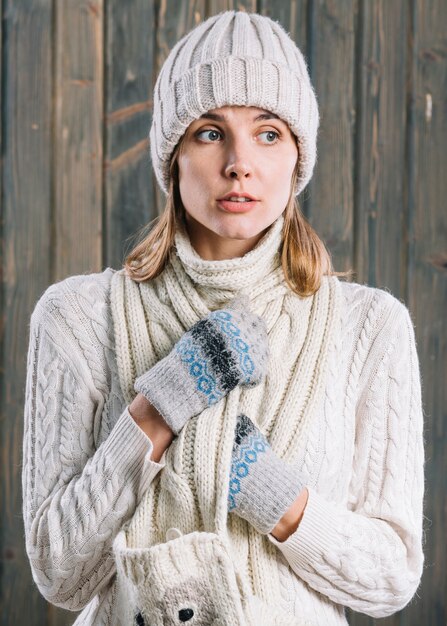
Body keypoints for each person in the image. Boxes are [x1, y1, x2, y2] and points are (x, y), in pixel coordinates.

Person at [22, 10, 424, 626]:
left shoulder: (369, 329)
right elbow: (60, 573)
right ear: (173, 156)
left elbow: (391, 578)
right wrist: (156, 411)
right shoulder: (77, 318)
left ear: (297, 157)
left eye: (268, 134)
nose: (239, 162)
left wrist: (269, 492)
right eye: (210, 133)